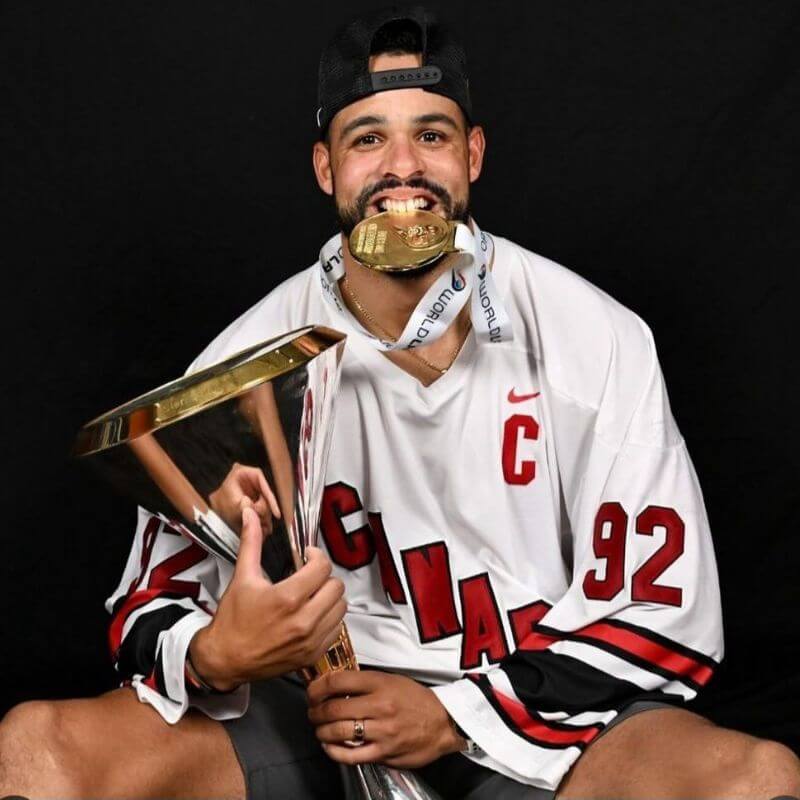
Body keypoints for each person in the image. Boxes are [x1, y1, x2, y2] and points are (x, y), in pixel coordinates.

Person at [1, 5, 799, 799]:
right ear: (326, 168)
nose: (403, 166)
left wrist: (456, 715)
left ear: (473, 154)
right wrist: (216, 652)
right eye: (368, 138)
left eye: (432, 134)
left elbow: (667, 626)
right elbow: (146, 605)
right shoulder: (245, 360)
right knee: (39, 744)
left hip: (535, 725)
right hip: (313, 720)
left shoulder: (595, 335)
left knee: (756, 779)